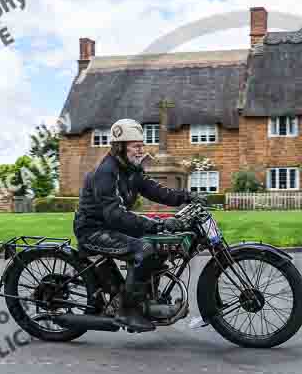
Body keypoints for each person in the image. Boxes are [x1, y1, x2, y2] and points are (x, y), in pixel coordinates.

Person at [73, 118, 205, 332]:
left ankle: (145, 299)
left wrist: (187, 197)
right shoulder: (106, 172)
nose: (140, 150)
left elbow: (156, 190)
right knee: (144, 249)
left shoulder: (130, 169)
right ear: (120, 147)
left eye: (141, 145)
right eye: (136, 146)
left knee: (158, 246)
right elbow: (115, 215)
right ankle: (127, 311)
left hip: (111, 227)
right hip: (93, 230)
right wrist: (156, 224)